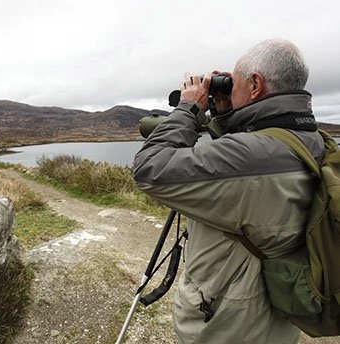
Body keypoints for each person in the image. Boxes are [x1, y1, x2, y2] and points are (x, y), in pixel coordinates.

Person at [133, 38, 325, 344]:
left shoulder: (252, 154)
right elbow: (243, 163)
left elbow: (150, 169)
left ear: (255, 85)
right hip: (274, 317)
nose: (226, 89)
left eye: (233, 83)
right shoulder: (307, 138)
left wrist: (188, 108)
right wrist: (226, 112)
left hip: (228, 323)